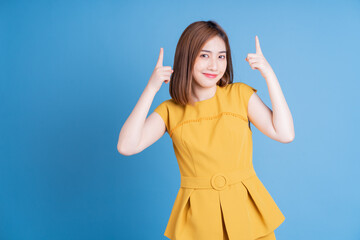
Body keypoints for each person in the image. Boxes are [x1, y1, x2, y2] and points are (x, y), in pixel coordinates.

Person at [117, 20, 295, 240]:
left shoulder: (239, 95)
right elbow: (126, 145)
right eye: (204, 55)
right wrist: (151, 88)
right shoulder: (171, 111)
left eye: (221, 56)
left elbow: (285, 133)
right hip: (199, 222)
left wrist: (269, 75)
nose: (214, 66)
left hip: (247, 214)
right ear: (186, 58)